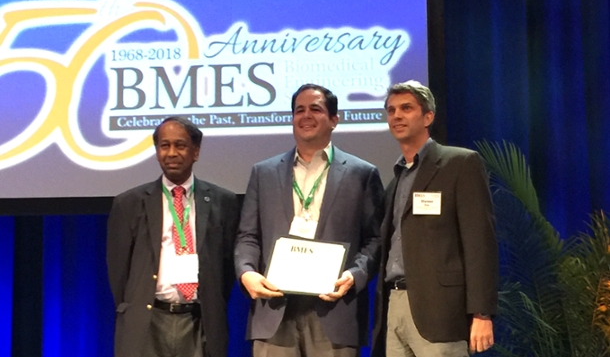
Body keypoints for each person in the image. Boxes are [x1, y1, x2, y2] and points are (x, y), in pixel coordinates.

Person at [234, 83, 384, 356]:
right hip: (274, 309)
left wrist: (355, 275)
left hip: (334, 310)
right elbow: (248, 235)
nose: (306, 116)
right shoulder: (263, 173)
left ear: (334, 120)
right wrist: (247, 272)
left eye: (315, 109)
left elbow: (374, 239)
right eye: (299, 110)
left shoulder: (362, 173)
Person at [371, 81, 498, 356]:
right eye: (391, 110)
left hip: (441, 311)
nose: (397, 116)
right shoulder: (395, 180)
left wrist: (482, 313)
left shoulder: (459, 164)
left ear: (428, 117)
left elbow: (480, 243)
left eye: (406, 108)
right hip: (395, 303)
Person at [106, 116, 240, 357]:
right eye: (164, 146)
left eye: (180, 145)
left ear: (195, 151)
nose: (171, 153)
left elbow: (227, 268)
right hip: (148, 321)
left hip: (200, 321)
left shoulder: (224, 201)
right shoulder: (130, 203)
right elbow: (119, 270)